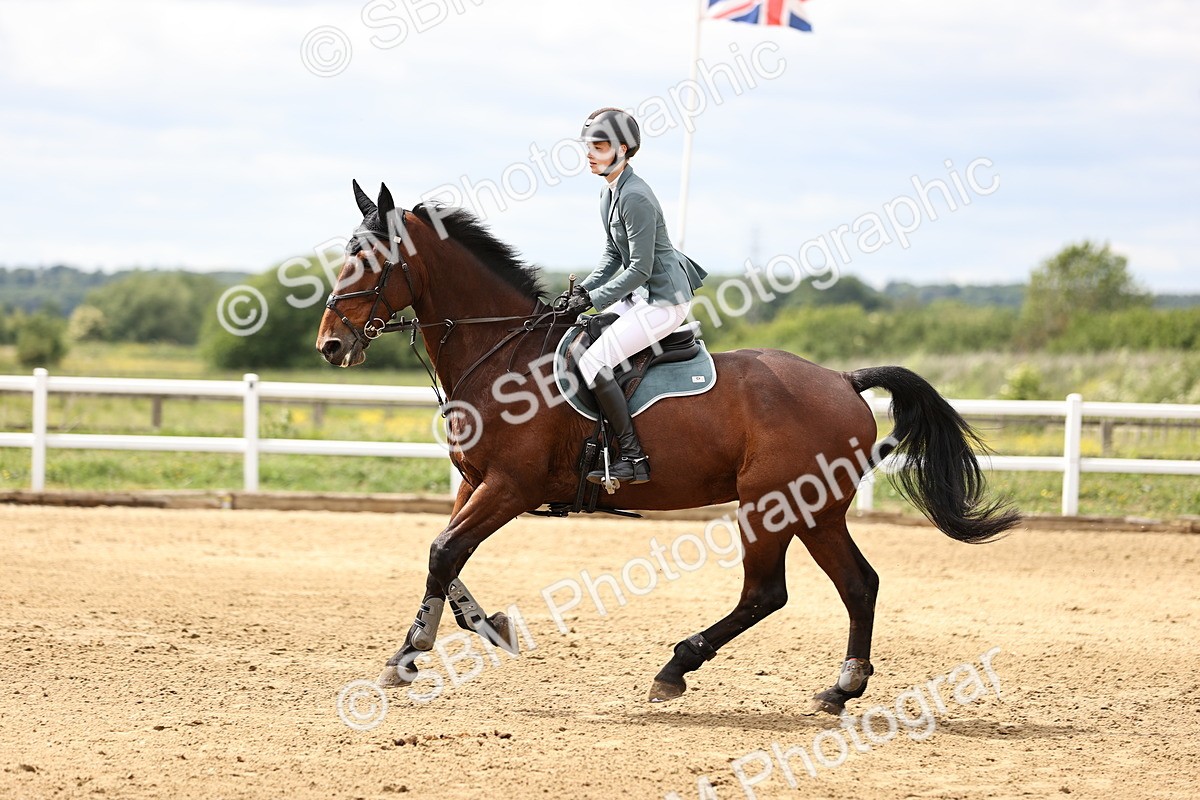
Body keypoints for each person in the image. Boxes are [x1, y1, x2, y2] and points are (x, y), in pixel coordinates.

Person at [553, 107, 707, 488]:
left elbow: (638, 269)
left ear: (622, 149)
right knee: (583, 331)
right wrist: (583, 292)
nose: (590, 154)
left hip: (663, 300)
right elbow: (611, 256)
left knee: (594, 362)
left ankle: (634, 457)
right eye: (588, 146)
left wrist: (593, 299)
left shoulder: (635, 196)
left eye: (600, 146)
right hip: (640, 295)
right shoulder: (610, 192)